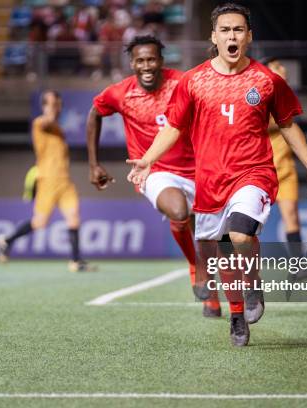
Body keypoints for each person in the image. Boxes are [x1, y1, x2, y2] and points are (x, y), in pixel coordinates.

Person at [126, 4, 307, 347]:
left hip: (253, 172)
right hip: (208, 181)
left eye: (238, 29)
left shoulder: (267, 81)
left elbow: (287, 125)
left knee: (239, 235)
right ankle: (236, 315)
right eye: (225, 29)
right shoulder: (193, 81)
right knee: (221, 251)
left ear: (249, 37)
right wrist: (148, 160)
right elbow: (174, 127)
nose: (232, 35)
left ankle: (253, 284)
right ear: (214, 36)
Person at [86, 35, 222, 318]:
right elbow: (94, 113)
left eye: (151, 59)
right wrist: (94, 164)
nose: (146, 65)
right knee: (179, 211)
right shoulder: (120, 93)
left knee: (210, 239)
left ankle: (213, 299)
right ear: (131, 63)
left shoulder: (183, 82)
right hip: (155, 171)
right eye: (139, 60)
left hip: (199, 170)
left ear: (161, 61)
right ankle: (196, 268)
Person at [0, 90, 94, 273]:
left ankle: (75, 260)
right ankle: (7, 240)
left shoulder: (60, 130)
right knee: (40, 223)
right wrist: (50, 112)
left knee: (74, 218)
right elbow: (45, 121)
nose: (56, 108)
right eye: (51, 104)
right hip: (47, 181)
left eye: (58, 104)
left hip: (65, 182)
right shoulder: (39, 123)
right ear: (44, 106)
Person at [262, 56, 307, 281]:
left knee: (292, 217)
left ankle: (297, 266)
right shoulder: (256, 98)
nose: (282, 72)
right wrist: (283, 118)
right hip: (260, 170)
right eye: (277, 69)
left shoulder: (284, 98)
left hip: (285, 170)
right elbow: (268, 123)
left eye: (283, 69)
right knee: (247, 222)